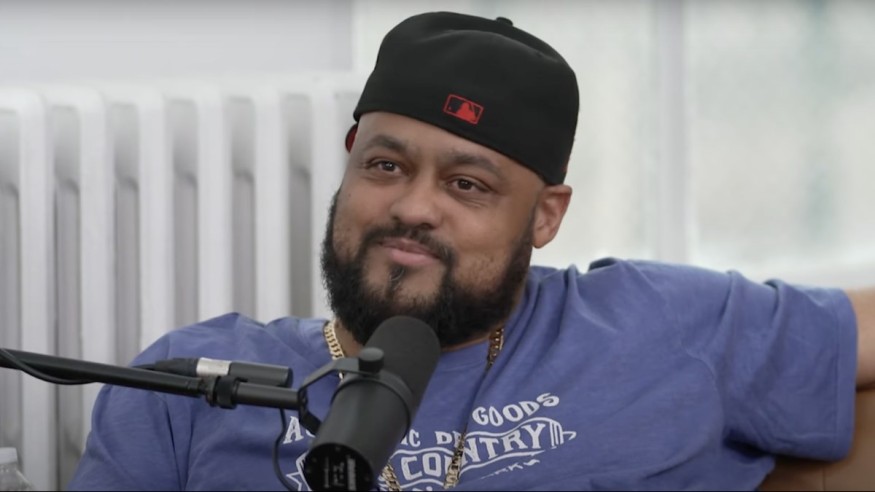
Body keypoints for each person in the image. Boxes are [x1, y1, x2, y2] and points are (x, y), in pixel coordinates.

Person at [69, 11, 875, 491]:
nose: (413, 207)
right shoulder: (187, 385)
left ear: (545, 216)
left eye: (467, 185)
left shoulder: (663, 323)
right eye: (386, 166)